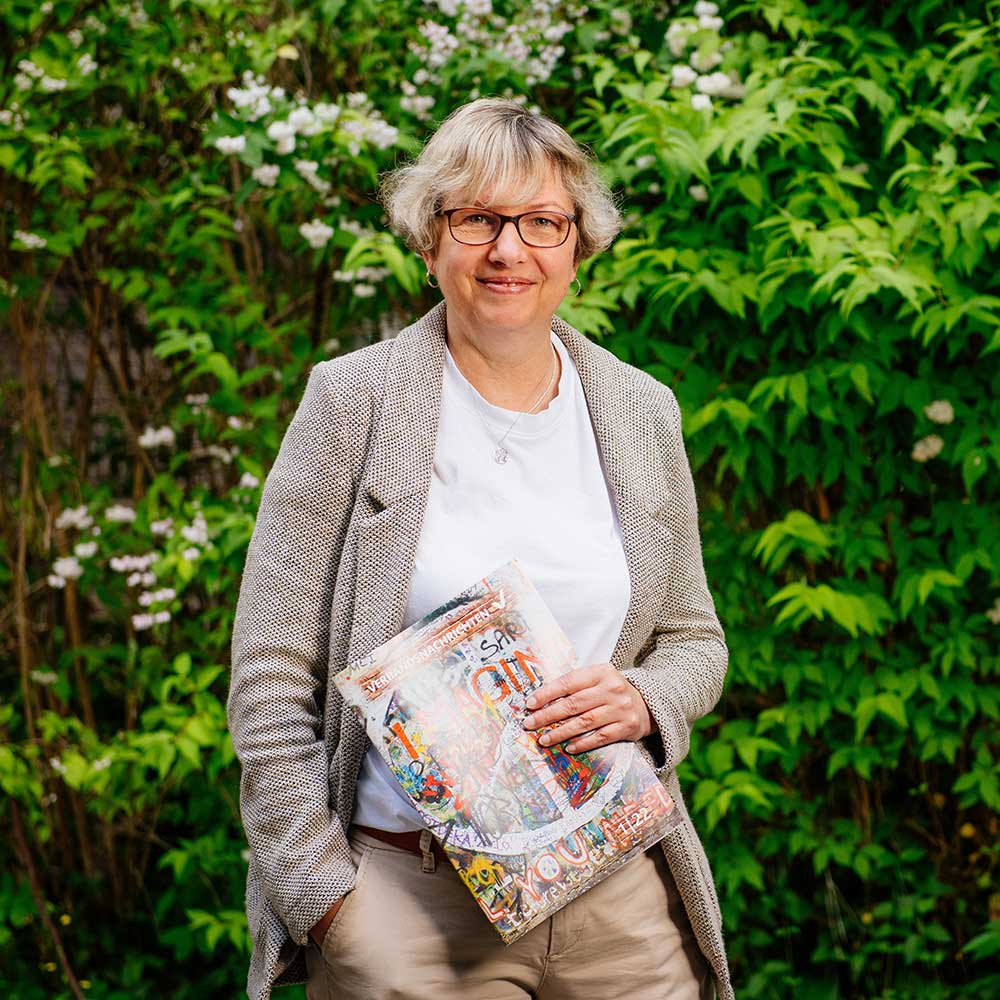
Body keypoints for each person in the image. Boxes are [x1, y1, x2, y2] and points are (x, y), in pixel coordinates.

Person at [228, 97, 733, 1000]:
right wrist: (327, 901)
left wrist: (646, 696)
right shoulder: (353, 404)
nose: (509, 251)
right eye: (477, 220)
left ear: (578, 246)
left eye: (542, 222)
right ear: (431, 242)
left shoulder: (641, 411)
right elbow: (268, 673)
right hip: (409, 902)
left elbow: (696, 640)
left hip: (614, 888)